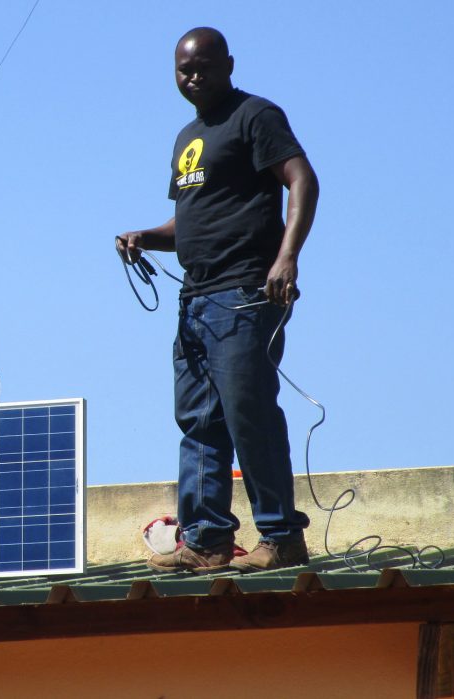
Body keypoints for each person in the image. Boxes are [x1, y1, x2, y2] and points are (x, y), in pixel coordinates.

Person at [116, 27, 319, 573]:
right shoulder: (186, 137)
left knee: (247, 413)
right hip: (196, 299)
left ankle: (280, 537)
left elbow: (302, 180)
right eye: (184, 70)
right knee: (199, 421)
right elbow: (187, 222)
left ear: (228, 64)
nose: (194, 77)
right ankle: (206, 541)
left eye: (204, 67)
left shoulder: (256, 116)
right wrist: (144, 237)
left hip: (246, 292)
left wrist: (287, 256)